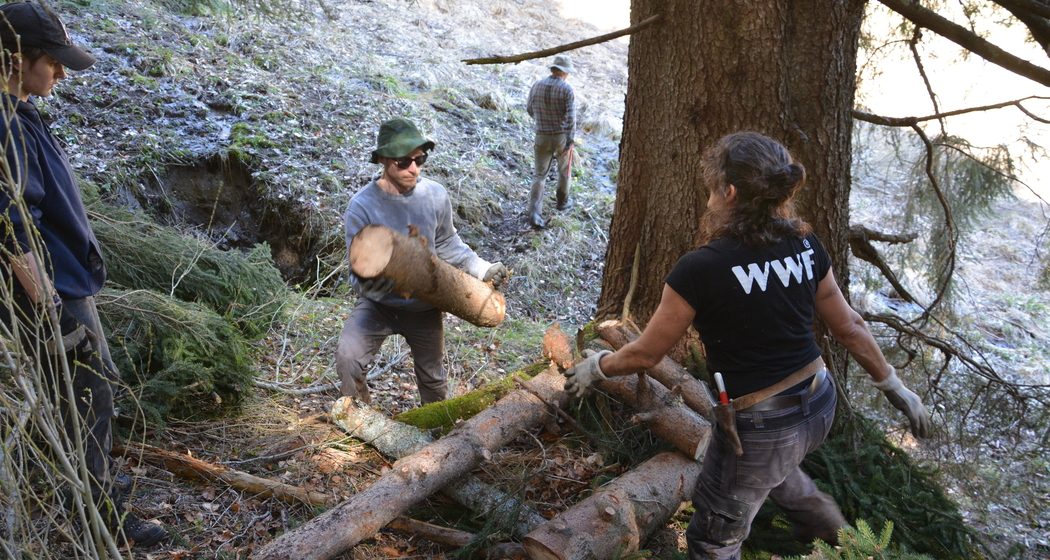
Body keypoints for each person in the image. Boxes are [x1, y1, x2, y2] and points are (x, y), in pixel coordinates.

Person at [563, 131, 931, 559]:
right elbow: (849, 326)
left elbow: (647, 353)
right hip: (819, 402)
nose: (708, 194)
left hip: (763, 423)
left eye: (712, 184)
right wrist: (895, 388)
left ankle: (842, 542)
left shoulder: (700, 269)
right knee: (772, 467)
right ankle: (840, 537)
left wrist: (597, 367)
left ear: (729, 191)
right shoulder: (805, 244)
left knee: (712, 540)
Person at [0, 0, 166, 548]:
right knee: (87, 400)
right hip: (50, 293)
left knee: (87, 396)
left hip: (63, 286)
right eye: (54, 61)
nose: (63, 73)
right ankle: (99, 517)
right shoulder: (3, 124)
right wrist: (49, 310)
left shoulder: (19, 110)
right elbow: (10, 224)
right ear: (18, 57)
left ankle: (76, 496)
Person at [337, 118, 508, 406]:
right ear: (382, 159)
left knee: (433, 379)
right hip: (378, 306)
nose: (413, 168)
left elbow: (447, 243)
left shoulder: (435, 195)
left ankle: (439, 436)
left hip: (425, 306)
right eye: (403, 162)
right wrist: (377, 280)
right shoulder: (362, 206)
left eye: (420, 159)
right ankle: (360, 420)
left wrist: (482, 268)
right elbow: (356, 273)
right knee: (348, 357)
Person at [525, 54, 576, 228]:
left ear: (553, 69)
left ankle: (534, 213)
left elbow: (529, 109)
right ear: (565, 72)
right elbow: (571, 119)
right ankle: (562, 202)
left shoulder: (537, 85)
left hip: (541, 136)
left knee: (539, 174)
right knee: (564, 171)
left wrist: (542, 121)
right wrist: (570, 141)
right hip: (561, 136)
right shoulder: (567, 90)